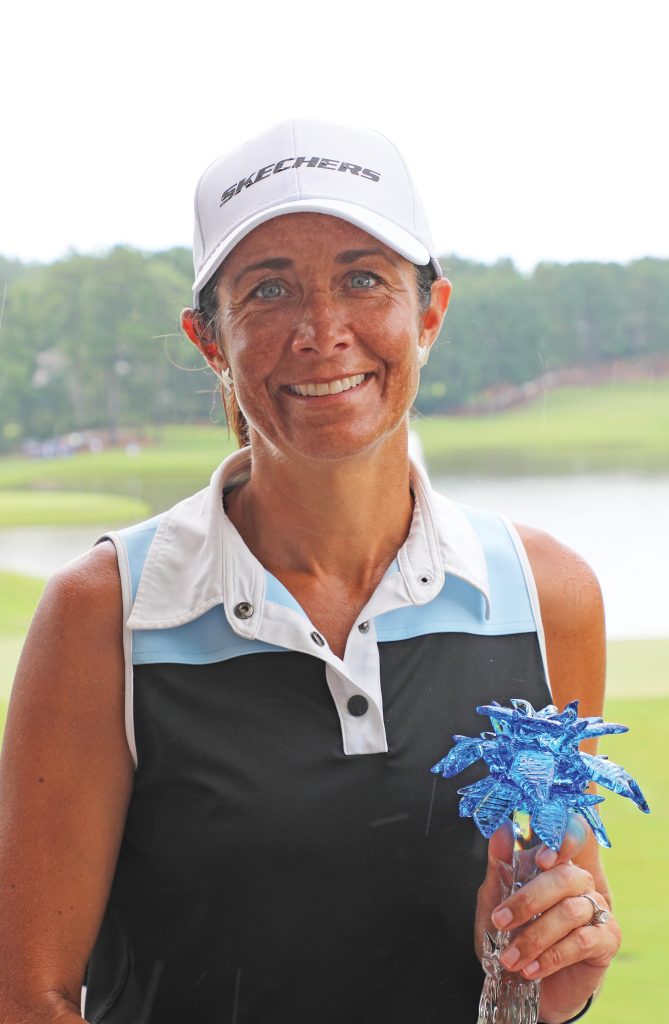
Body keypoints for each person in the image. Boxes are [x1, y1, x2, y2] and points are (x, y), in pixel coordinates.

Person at [0, 119, 620, 1024]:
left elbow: (547, 952)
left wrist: (542, 980)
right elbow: (28, 998)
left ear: (430, 314)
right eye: (269, 289)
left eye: (363, 279)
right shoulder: (104, 614)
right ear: (209, 339)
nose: (322, 332)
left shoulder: (547, 597)